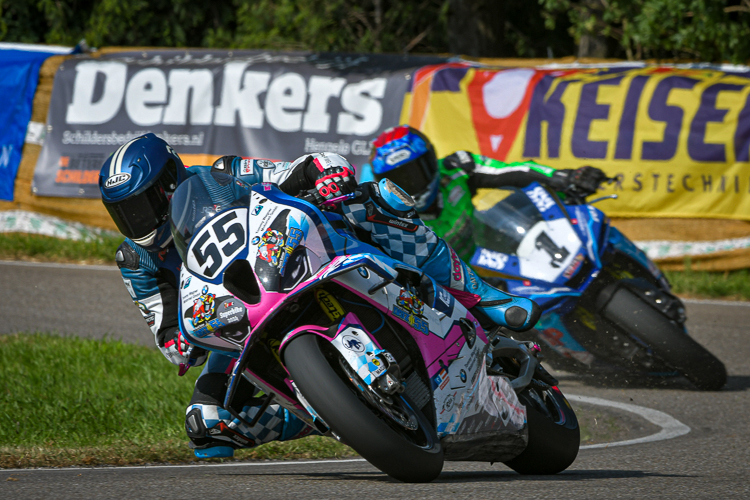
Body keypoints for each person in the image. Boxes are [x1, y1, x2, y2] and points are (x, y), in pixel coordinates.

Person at [99, 133, 540, 459]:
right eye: (124, 214)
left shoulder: (223, 175)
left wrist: (324, 175)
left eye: (142, 206)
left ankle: (479, 295)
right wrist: (183, 342)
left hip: (297, 256)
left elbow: (299, 167)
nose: (138, 222)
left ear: (170, 182)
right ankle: (342, 413)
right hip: (240, 316)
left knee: (371, 199)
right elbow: (167, 333)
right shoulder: (136, 259)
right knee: (207, 426)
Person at [367, 125, 609, 261]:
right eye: (400, 179)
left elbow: (515, 171)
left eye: (415, 173)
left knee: (527, 200)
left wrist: (566, 177)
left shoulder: (456, 167)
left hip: (497, 245)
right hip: (459, 288)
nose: (411, 184)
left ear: (431, 161)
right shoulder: (384, 219)